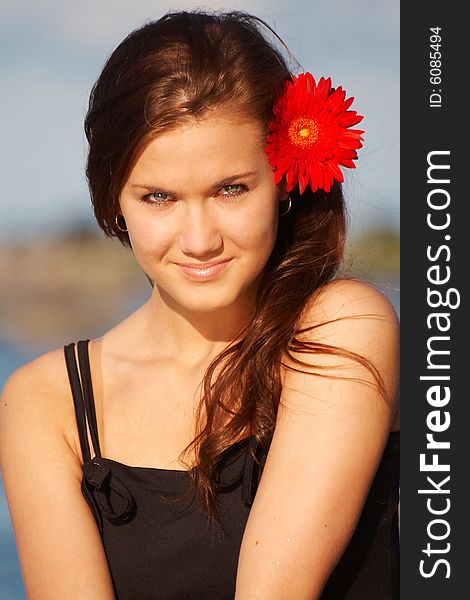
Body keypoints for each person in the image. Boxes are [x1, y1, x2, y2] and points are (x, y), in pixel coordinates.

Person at [0, 9, 399, 600]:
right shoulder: (45, 402)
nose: (198, 239)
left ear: (283, 180)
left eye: (230, 189)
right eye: (158, 197)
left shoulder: (341, 329)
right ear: (114, 201)